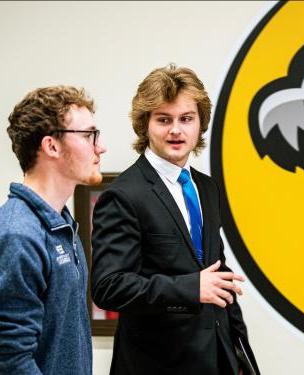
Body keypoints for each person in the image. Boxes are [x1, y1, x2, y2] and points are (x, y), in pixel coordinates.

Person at [91, 64, 259, 375]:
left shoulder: (207, 188)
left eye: (186, 119)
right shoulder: (124, 195)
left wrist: (241, 357)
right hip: (156, 364)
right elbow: (109, 287)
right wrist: (190, 288)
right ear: (145, 125)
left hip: (216, 359)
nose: (176, 130)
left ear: (200, 123)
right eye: (164, 120)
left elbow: (214, 275)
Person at [0, 86, 106, 374]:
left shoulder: (62, 226)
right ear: (52, 146)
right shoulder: (18, 234)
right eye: (88, 136)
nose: (100, 147)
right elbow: (11, 361)